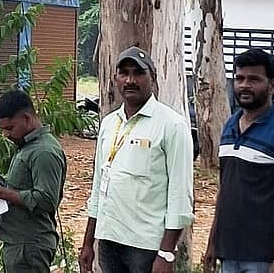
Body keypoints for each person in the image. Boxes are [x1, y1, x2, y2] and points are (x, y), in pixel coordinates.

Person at [80, 46, 194, 273]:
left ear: (153, 78)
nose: (130, 80)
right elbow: (98, 187)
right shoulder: (109, 123)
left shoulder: (172, 125)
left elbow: (180, 195)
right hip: (109, 240)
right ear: (115, 79)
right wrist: (88, 242)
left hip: (146, 247)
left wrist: (166, 252)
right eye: (124, 73)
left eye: (138, 73)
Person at [204, 48, 274, 273]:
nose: (244, 85)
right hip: (229, 253)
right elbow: (225, 190)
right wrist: (213, 242)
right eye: (240, 78)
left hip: (265, 258)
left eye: (254, 79)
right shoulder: (229, 127)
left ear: (271, 86)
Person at [0, 88, 67, 273]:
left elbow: (46, 200)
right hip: (19, 243)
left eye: (9, 128)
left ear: (26, 118)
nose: (6, 135)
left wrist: (1, 192)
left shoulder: (44, 152)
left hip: (30, 245)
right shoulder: (27, 146)